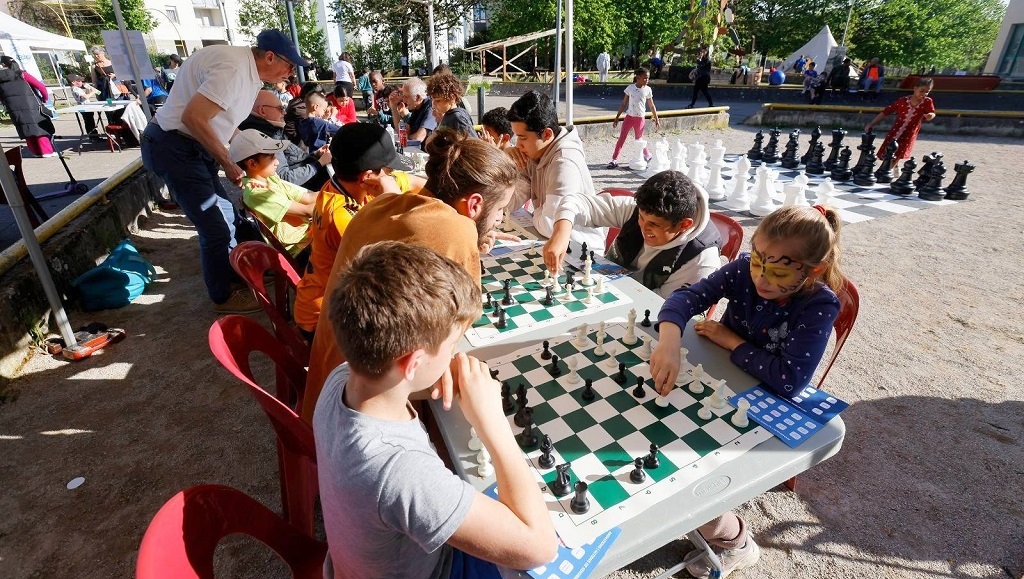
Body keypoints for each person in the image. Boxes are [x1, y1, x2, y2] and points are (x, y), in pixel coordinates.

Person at [314, 241, 558, 578]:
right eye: (453, 345)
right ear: (413, 362)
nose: (456, 354)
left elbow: (395, 377)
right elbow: (539, 548)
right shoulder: (402, 471)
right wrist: (493, 422)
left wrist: (432, 368)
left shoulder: (340, 379)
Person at [648, 205, 845, 578]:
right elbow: (684, 299)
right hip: (720, 382)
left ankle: (734, 541)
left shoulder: (819, 304)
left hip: (765, 407)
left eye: (779, 271)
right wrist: (669, 340)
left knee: (691, 473)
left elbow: (789, 380)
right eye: (757, 262)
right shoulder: (742, 269)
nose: (761, 278)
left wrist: (731, 340)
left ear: (814, 270)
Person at [301, 129, 517, 421]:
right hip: (360, 406)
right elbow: (467, 316)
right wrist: (469, 239)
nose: (500, 219)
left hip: (326, 386)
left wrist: (473, 239)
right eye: (500, 209)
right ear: (475, 204)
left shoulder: (379, 204)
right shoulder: (456, 229)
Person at [140, 29, 308, 314]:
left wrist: (254, 156)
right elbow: (194, 117)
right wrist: (229, 163)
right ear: (270, 57)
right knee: (215, 227)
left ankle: (237, 275)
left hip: (192, 144)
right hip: (175, 145)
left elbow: (227, 123)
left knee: (228, 214)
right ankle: (223, 296)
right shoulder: (234, 69)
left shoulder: (248, 72)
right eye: (290, 65)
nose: (291, 73)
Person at [293, 123, 422, 339]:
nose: (392, 174)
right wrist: (395, 202)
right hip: (323, 319)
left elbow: (416, 182)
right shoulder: (340, 217)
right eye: (388, 169)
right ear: (368, 176)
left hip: (344, 297)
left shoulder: (353, 184)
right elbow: (398, 261)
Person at [549, 170, 721, 296]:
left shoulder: (701, 261)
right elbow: (575, 202)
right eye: (641, 217)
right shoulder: (639, 209)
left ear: (684, 225)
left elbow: (662, 308)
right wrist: (561, 234)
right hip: (607, 288)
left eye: (654, 224)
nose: (643, 227)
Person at [505, 90, 606, 257]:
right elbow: (509, 203)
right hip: (549, 242)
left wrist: (539, 211)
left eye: (522, 138)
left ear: (546, 134)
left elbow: (550, 224)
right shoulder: (534, 153)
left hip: (581, 253)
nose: (518, 145)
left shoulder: (565, 162)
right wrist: (505, 163)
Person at [231, 129, 315, 257]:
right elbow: (307, 211)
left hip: (307, 233)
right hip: (299, 247)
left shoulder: (270, 178)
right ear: (252, 163)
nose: (277, 162)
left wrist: (337, 193)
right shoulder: (256, 193)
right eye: (271, 157)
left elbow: (308, 197)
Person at [238, 89, 330, 190]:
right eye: (280, 108)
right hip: (309, 188)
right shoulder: (266, 137)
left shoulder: (271, 130)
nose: (284, 112)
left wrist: (316, 154)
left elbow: (293, 160)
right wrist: (319, 163)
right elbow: (284, 178)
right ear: (262, 111)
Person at [866, 77, 936, 162]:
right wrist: (871, 124)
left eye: (927, 92)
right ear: (915, 88)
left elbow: (932, 113)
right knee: (888, 152)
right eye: (922, 91)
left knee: (899, 153)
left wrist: (930, 116)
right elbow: (886, 111)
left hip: (909, 133)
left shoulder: (927, 101)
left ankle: (891, 168)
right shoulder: (903, 101)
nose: (924, 94)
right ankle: (889, 167)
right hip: (896, 130)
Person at [0, 56, 55, 157]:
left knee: (26, 129)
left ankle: (36, 152)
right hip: (32, 105)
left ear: (2, 65)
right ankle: (46, 151)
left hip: (14, 109)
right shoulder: (22, 74)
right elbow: (41, 87)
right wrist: (45, 98)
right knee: (39, 129)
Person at [608, 67, 661, 169]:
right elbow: (623, 104)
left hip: (640, 118)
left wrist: (656, 119)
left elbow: (651, 105)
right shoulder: (630, 88)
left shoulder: (648, 90)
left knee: (639, 139)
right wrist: (617, 117)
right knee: (622, 138)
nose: (647, 80)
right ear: (638, 77)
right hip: (629, 117)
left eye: (648, 78)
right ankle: (614, 160)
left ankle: (647, 155)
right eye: (645, 78)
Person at [426, 72, 478, 138]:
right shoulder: (448, 115)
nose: (433, 105)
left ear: (452, 98)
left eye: (438, 100)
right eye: (432, 100)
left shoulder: (457, 118)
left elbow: (472, 142)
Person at [396, 77, 437, 142]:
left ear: (417, 97)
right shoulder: (416, 107)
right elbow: (406, 129)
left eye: (406, 97)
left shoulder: (431, 108)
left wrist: (406, 136)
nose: (404, 101)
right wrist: (393, 107)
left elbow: (418, 138)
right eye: (403, 96)